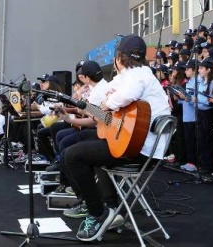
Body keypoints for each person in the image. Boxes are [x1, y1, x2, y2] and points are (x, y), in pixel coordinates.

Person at [61, 34, 170, 242]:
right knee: (84, 147)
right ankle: (112, 208)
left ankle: (96, 212)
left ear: (119, 58)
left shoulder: (138, 75)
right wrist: (97, 104)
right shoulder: (135, 74)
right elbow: (106, 102)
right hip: (135, 144)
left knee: (73, 155)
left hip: (139, 150)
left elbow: (122, 96)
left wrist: (108, 102)